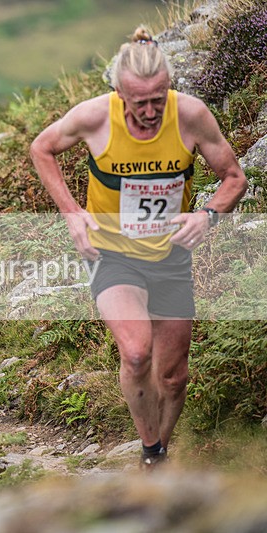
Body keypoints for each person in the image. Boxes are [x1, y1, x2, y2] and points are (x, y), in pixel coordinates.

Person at [30, 27, 247, 468]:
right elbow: (42, 148)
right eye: (139, 101)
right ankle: (149, 452)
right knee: (135, 351)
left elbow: (234, 177)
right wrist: (72, 212)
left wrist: (207, 215)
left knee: (173, 375)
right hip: (112, 253)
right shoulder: (94, 117)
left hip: (170, 257)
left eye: (158, 98)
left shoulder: (190, 115)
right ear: (119, 92)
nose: (150, 111)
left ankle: (161, 449)